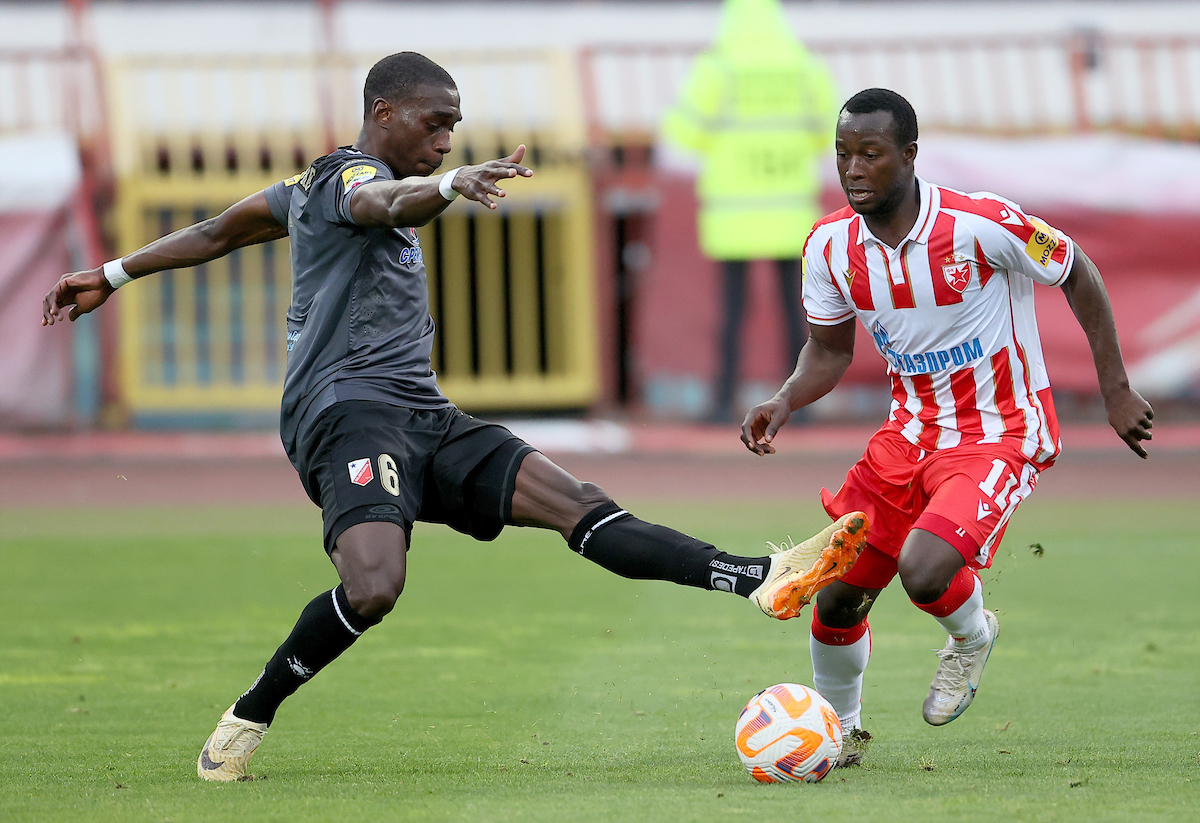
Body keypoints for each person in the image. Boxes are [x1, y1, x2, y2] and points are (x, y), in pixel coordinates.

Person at [42, 52, 869, 782]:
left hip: (423, 415)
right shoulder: (341, 181)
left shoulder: (301, 193)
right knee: (375, 587)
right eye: (433, 125)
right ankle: (248, 715)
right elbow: (384, 202)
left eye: (453, 131)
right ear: (383, 113)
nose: (444, 141)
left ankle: (757, 576)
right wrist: (443, 186)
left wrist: (111, 274)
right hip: (345, 414)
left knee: (578, 503)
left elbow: (218, 230)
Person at [741, 88, 1154, 766]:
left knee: (924, 569)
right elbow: (830, 350)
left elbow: (1076, 268)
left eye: (870, 154)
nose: (853, 169)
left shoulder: (981, 223)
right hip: (909, 435)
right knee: (838, 596)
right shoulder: (830, 246)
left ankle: (972, 635)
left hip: (1000, 431)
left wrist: (1115, 390)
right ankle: (841, 736)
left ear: (909, 155)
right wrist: (785, 399)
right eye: (843, 154)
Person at [663, 0, 838, 423]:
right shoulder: (803, 65)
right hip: (789, 208)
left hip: (733, 211)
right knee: (797, 311)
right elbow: (829, 130)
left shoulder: (718, 66)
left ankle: (724, 401)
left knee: (732, 313)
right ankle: (801, 404)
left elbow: (684, 131)